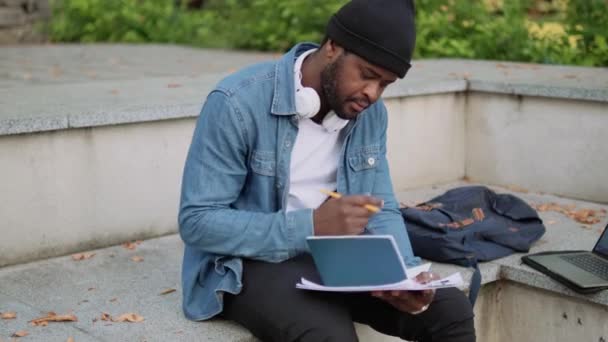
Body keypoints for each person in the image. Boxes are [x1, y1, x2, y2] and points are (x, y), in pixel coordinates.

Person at [178, 0, 476, 341]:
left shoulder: (368, 114)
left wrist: (404, 273)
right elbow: (197, 221)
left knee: (450, 310)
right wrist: (311, 226)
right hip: (250, 261)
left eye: (385, 84)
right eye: (367, 75)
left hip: (340, 256)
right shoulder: (237, 102)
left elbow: (379, 208)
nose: (372, 94)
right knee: (327, 335)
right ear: (332, 47)